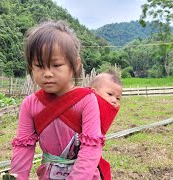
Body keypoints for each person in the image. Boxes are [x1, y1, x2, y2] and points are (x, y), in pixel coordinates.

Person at [10, 20, 105, 180]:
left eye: (56, 65)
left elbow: (91, 148)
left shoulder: (87, 100)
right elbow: (23, 149)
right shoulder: (29, 105)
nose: (47, 73)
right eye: (39, 66)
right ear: (30, 67)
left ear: (75, 64)